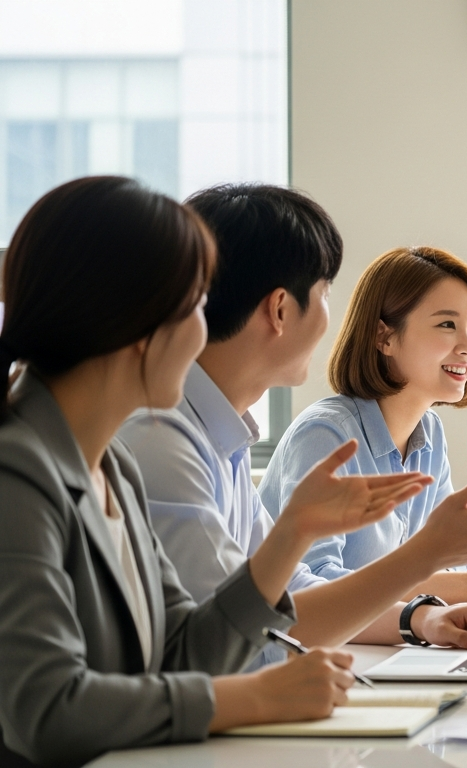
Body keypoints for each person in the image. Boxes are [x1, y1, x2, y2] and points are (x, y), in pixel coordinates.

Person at [0, 176, 425, 765]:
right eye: (196, 305)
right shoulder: (18, 472)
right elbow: (47, 711)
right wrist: (252, 698)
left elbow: (185, 649)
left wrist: (292, 534)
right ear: (132, 323)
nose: (209, 328)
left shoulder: (111, 466)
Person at [120, 185, 467, 661]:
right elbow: (225, 639)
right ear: (280, 309)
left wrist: (418, 617)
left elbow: (285, 596)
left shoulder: (226, 438)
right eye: (323, 292)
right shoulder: (165, 440)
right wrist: (432, 565)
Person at [260, 246, 467, 604]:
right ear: (384, 337)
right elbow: (312, 584)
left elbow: (443, 562)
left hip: (388, 644)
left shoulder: (429, 434)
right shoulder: (326, 435)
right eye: (447, 324)